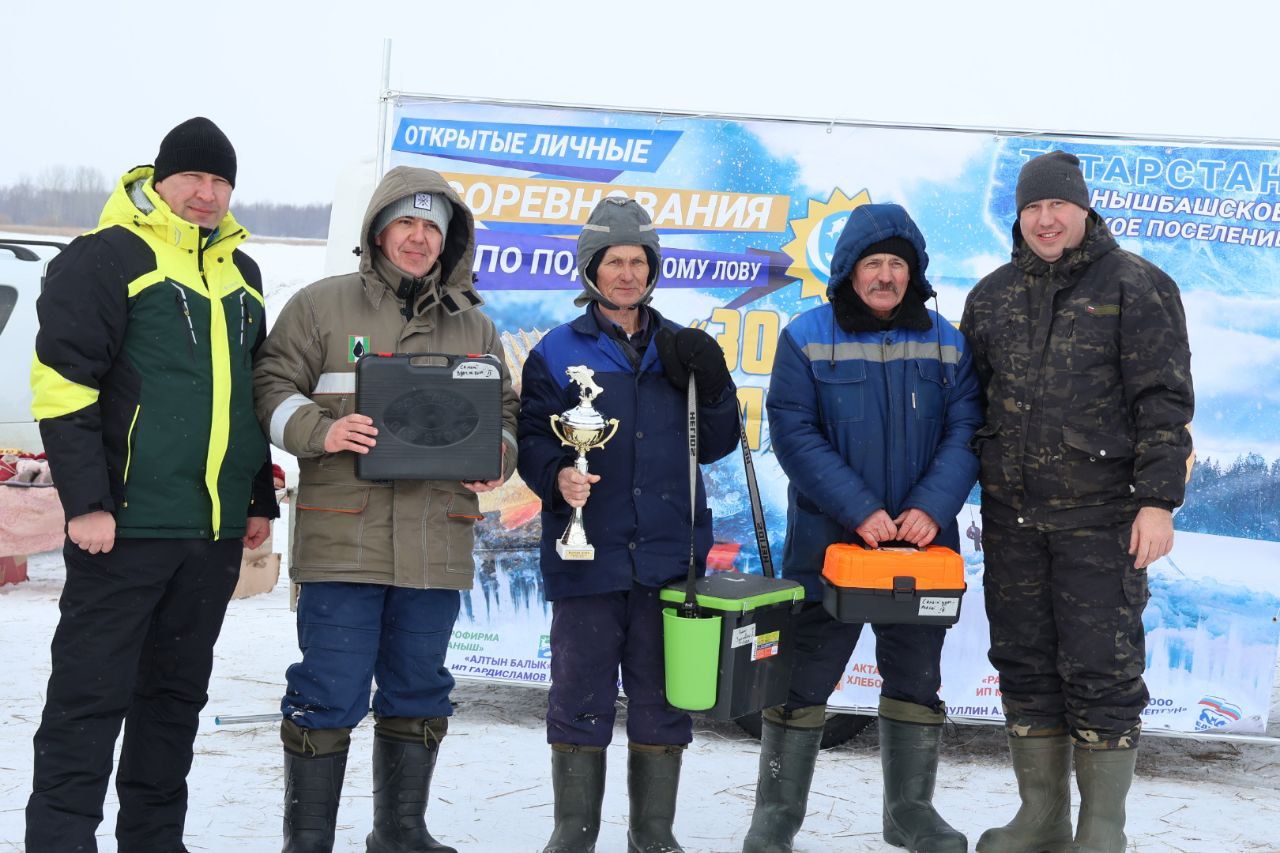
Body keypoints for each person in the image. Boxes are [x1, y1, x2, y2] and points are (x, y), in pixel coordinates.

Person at [26, 117, 278, 850]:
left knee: (173, 702)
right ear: (158, 179)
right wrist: (88, 504)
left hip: (210, 535)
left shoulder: (245, 275)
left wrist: (256, 500)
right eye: (193, 178)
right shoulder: (107, 257)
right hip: (124, 529)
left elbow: (249, 399)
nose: (206, 193)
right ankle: (60, 840)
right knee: (88, 700)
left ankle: (154, 840)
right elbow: (62, 385)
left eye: (219, 180)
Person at [253, 166, 518, 853]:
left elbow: (507, 411)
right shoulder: (320, 306)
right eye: (406, 222)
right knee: (328, 688)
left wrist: (500, 451)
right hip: (345, 541)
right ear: (377, 230)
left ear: (448, 240)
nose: (418, 237)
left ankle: (400, 832)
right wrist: (322, 430)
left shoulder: (478, 327)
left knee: (420, 688)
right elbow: (271, 384)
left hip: (437, 543)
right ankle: (306, 841)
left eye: (432, 226)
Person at [961, 151, 1194, 853]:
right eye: (1032, 208)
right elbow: (968, 406)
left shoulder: (1136, 286)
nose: (1046, 219)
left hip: (1103, 524)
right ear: (1020, 217)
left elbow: (1163, 402)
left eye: (1057, 205)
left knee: (1102, 669)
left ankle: (1101, 828)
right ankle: (1041, 817)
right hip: (1013, 523)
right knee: (1025, 663)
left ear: (1084, 209)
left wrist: (1158, 500)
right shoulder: (992, 296)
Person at [751, 203, 982, 853]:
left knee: (915, 675)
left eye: (897, 264)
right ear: (848, 271)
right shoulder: (805, 337)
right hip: (830, 544)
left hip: (922, 547)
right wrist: (861, 511)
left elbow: (967, 431)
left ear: (915, 273)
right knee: (801, 675)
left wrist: (930, 508)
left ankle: (910, 812)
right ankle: (775, 816)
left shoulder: (948, 342)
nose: (885, 276)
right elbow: (793, 431)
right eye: (872, 263)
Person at [516, 197, 740, 853]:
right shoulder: (557, 353)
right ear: (591, 269)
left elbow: (721, 439)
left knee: (661, 700)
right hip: (586, 552)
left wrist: (716, 378)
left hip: (670, 557)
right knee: (579, 693)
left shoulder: (680, 348)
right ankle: (573, 830)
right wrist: (556, 472)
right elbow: (533, 435)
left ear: (652, 269)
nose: (626, 273)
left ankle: (654, 833)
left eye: (638, 260)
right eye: (614, 260)